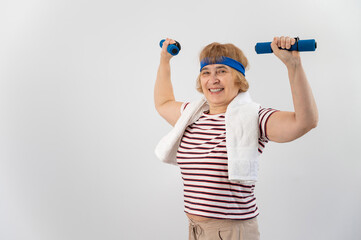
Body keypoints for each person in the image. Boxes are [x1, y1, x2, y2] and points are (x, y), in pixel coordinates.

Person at [154, 37, 318, 240]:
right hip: (195, 230)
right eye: (206, 72)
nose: (212, 79)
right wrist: (164, 60)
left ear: (238, 78)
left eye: (222, 71)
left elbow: (305, 121)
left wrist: (294, 66)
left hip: (232, 233)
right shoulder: (191, 115)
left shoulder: (254, 117)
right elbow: (163, 102)